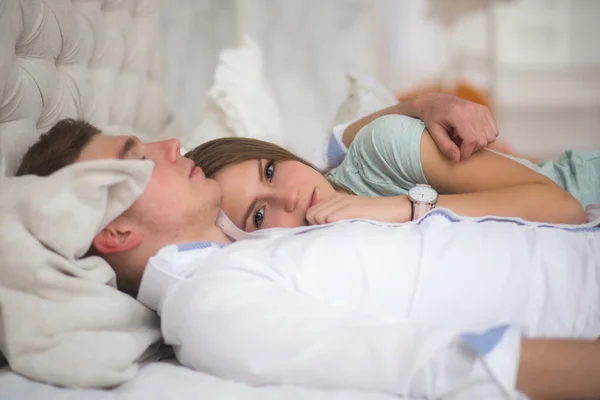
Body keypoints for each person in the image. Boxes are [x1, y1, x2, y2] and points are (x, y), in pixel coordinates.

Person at [15, 118, 600, 400]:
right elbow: (444, 367)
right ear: (114, 226)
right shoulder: (210, 307)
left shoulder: (260, 250)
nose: (171, 146)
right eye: (138, 156)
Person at [186, 107, 588, 232]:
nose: (289, 196)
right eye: (259, 215)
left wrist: (401, 208)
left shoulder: (381, 148)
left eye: (270, 171)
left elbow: (564, 208)